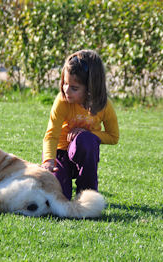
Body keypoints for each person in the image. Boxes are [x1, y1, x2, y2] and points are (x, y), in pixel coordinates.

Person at [41, 50, 119, 200]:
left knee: (86, 140)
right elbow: (51, 135)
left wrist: (86, 134)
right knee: (59, 198)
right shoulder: (62, 101)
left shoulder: (104, 106)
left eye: (74, 88)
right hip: (59, 153)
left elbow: (113, 137)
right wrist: (48, 161)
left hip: (84, 155)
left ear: (90, 89)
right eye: (64, 84)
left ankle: (86, 194)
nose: (66, 90)